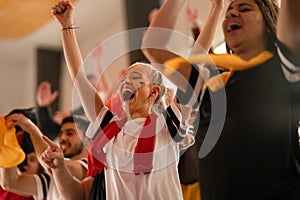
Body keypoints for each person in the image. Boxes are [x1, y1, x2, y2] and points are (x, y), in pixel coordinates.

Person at [143, 0, 300, 199]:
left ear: (269, 27)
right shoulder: (213, 87)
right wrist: (216, 8)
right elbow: (153, 47)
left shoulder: (284, 69)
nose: (232, 14)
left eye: (244, 8)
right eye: (229, 12)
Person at [40, 1, 194, 199]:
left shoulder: (167, 125)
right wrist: (66, 26)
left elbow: (193, 73)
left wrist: (215, 10)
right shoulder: (111, 129)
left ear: (154, 91)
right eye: (124, 81)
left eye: (137, 79)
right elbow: (79, 78)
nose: (126, 84)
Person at [1, 111, 90, 200]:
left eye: (70, 133)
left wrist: (31, 128)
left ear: (87, 139)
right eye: (60, 134)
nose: (62, 138)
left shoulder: (90, 167)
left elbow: (53, 163)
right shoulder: (51, 180)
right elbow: (10, 184)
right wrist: (8, 142)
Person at [0, 108, 44, 200]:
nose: (24, 164)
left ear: (40, 165)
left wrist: (31, 129)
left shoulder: (46, 190)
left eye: (32, 159)